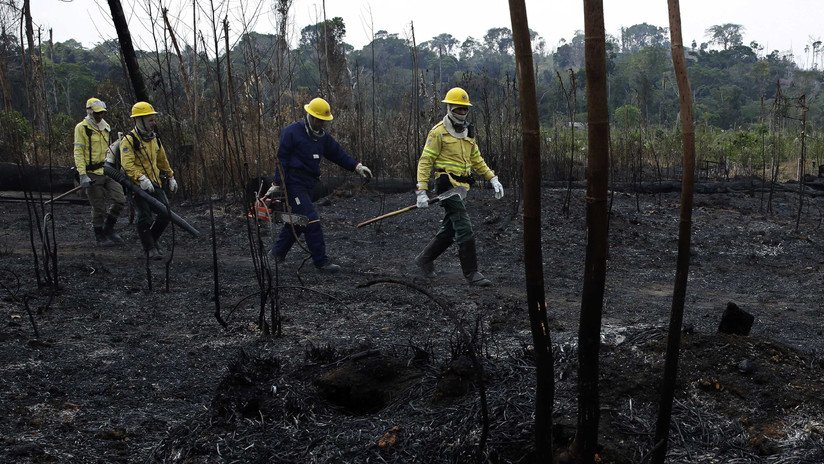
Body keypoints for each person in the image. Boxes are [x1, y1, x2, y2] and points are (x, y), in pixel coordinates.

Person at [265, 97, 372, 273]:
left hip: (308, 184)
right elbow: (281, 159)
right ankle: (321, 262)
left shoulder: (323, 138)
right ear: (312, 117)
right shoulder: (292, 132)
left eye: (325, 121)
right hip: (293, 183)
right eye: (320, 121)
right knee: (311, 218)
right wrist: (278, 183)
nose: (323, 124)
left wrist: (357, 167)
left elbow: (338, 154)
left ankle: (276, 254)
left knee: (299, 221)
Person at [413, 87, 504, 287]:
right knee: (464, 226)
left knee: (450, 230)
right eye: (458, 109)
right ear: (450, 108)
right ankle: (472, 273)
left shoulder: (468, 134)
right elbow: (426, 160)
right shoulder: (438, 132)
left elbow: (476, 159)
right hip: (446, 186)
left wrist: (492, 178)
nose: (462, 113)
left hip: (462, 188)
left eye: (465, 109)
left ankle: (423, 260)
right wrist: (421, 190)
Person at [120, 101, 178, 260]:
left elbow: (162, 160)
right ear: (140, 120)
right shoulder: (129, 140)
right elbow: (127, 165)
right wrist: (141, 178)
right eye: (150, 120)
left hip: (155, 183)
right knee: (145, 217)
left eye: (153, 119)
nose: (154, 122)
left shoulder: (154, 139)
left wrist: (171, 176)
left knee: (165, 214)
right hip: (137, 185)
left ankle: (150, 242)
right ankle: (150, 248)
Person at [73, 97, 127, 246]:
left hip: (107, 170)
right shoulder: (81, 128)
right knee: (99, 206)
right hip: (91, 173)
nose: (100, 115)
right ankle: (100, 236)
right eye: (97, 113)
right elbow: (78, 152)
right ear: (89, 112)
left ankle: (108, 228)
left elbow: (110, 151)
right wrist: (82, 175)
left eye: (102, 113)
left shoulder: (106, 127)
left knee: (120, 199)